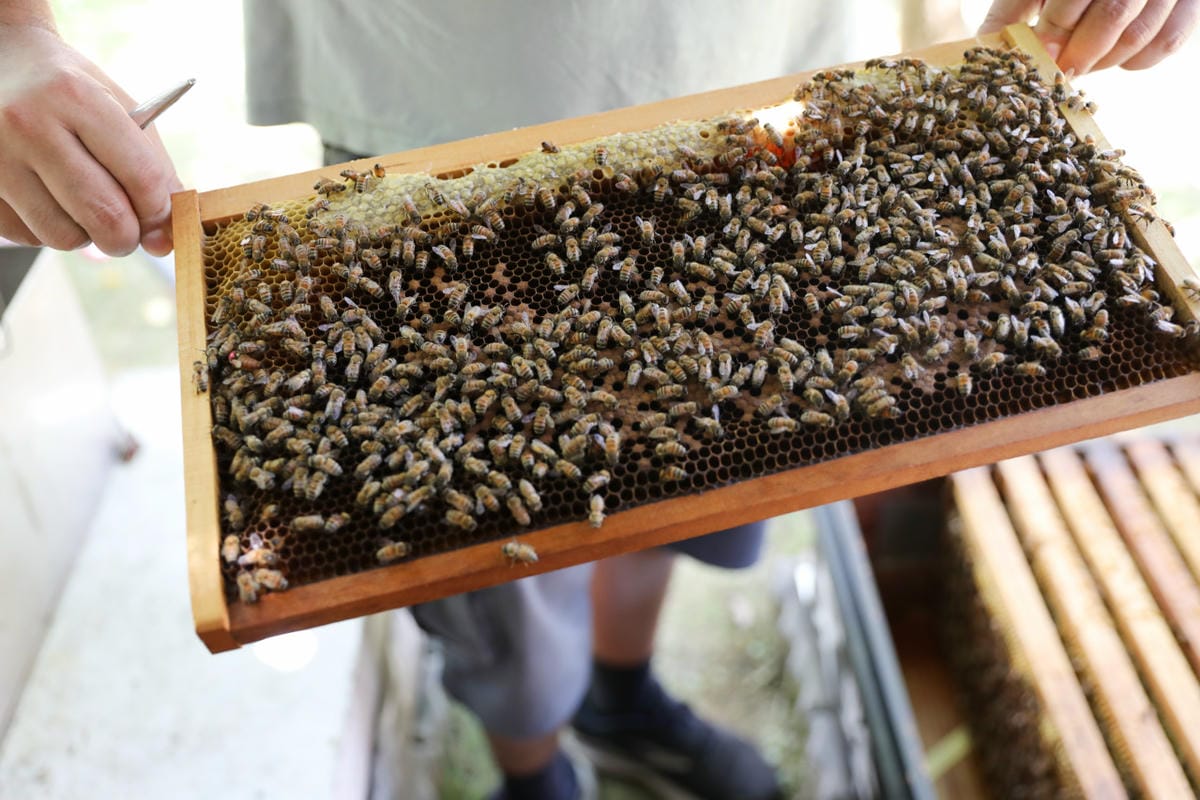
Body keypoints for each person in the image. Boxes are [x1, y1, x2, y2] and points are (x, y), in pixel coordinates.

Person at [0, 2, 1195, 799]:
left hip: (794, 112)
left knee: (702, 459)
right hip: (434, 118)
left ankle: (622, 694)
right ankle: (531, 767)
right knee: (488, 572)